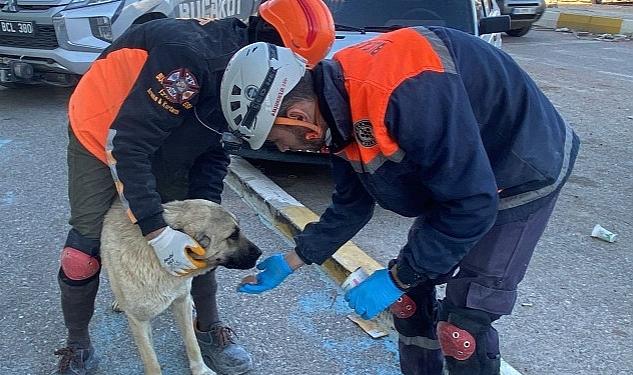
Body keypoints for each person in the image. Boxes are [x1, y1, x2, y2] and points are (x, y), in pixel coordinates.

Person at [219, 26, 580, 375]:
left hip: (521, 166)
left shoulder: (405, 95)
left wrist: (398, 276)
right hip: (460, 178)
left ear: (297, 117)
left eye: (278, 138)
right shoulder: (336, 109)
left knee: (462, 331)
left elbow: (471, 203)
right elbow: (351, 205)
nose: (283, 148)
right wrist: (295, 258)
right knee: (407, 303)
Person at [54, 1, 334, 374]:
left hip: (166, 139)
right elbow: (128, 147)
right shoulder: (188, 60)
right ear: (272, 43)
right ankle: (77, 342)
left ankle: (208, 325)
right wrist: (154, 229)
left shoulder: (256, 85)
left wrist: (208, 214)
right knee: (83, 248)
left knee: (204, 239)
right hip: (101, 130)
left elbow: (215, 150)